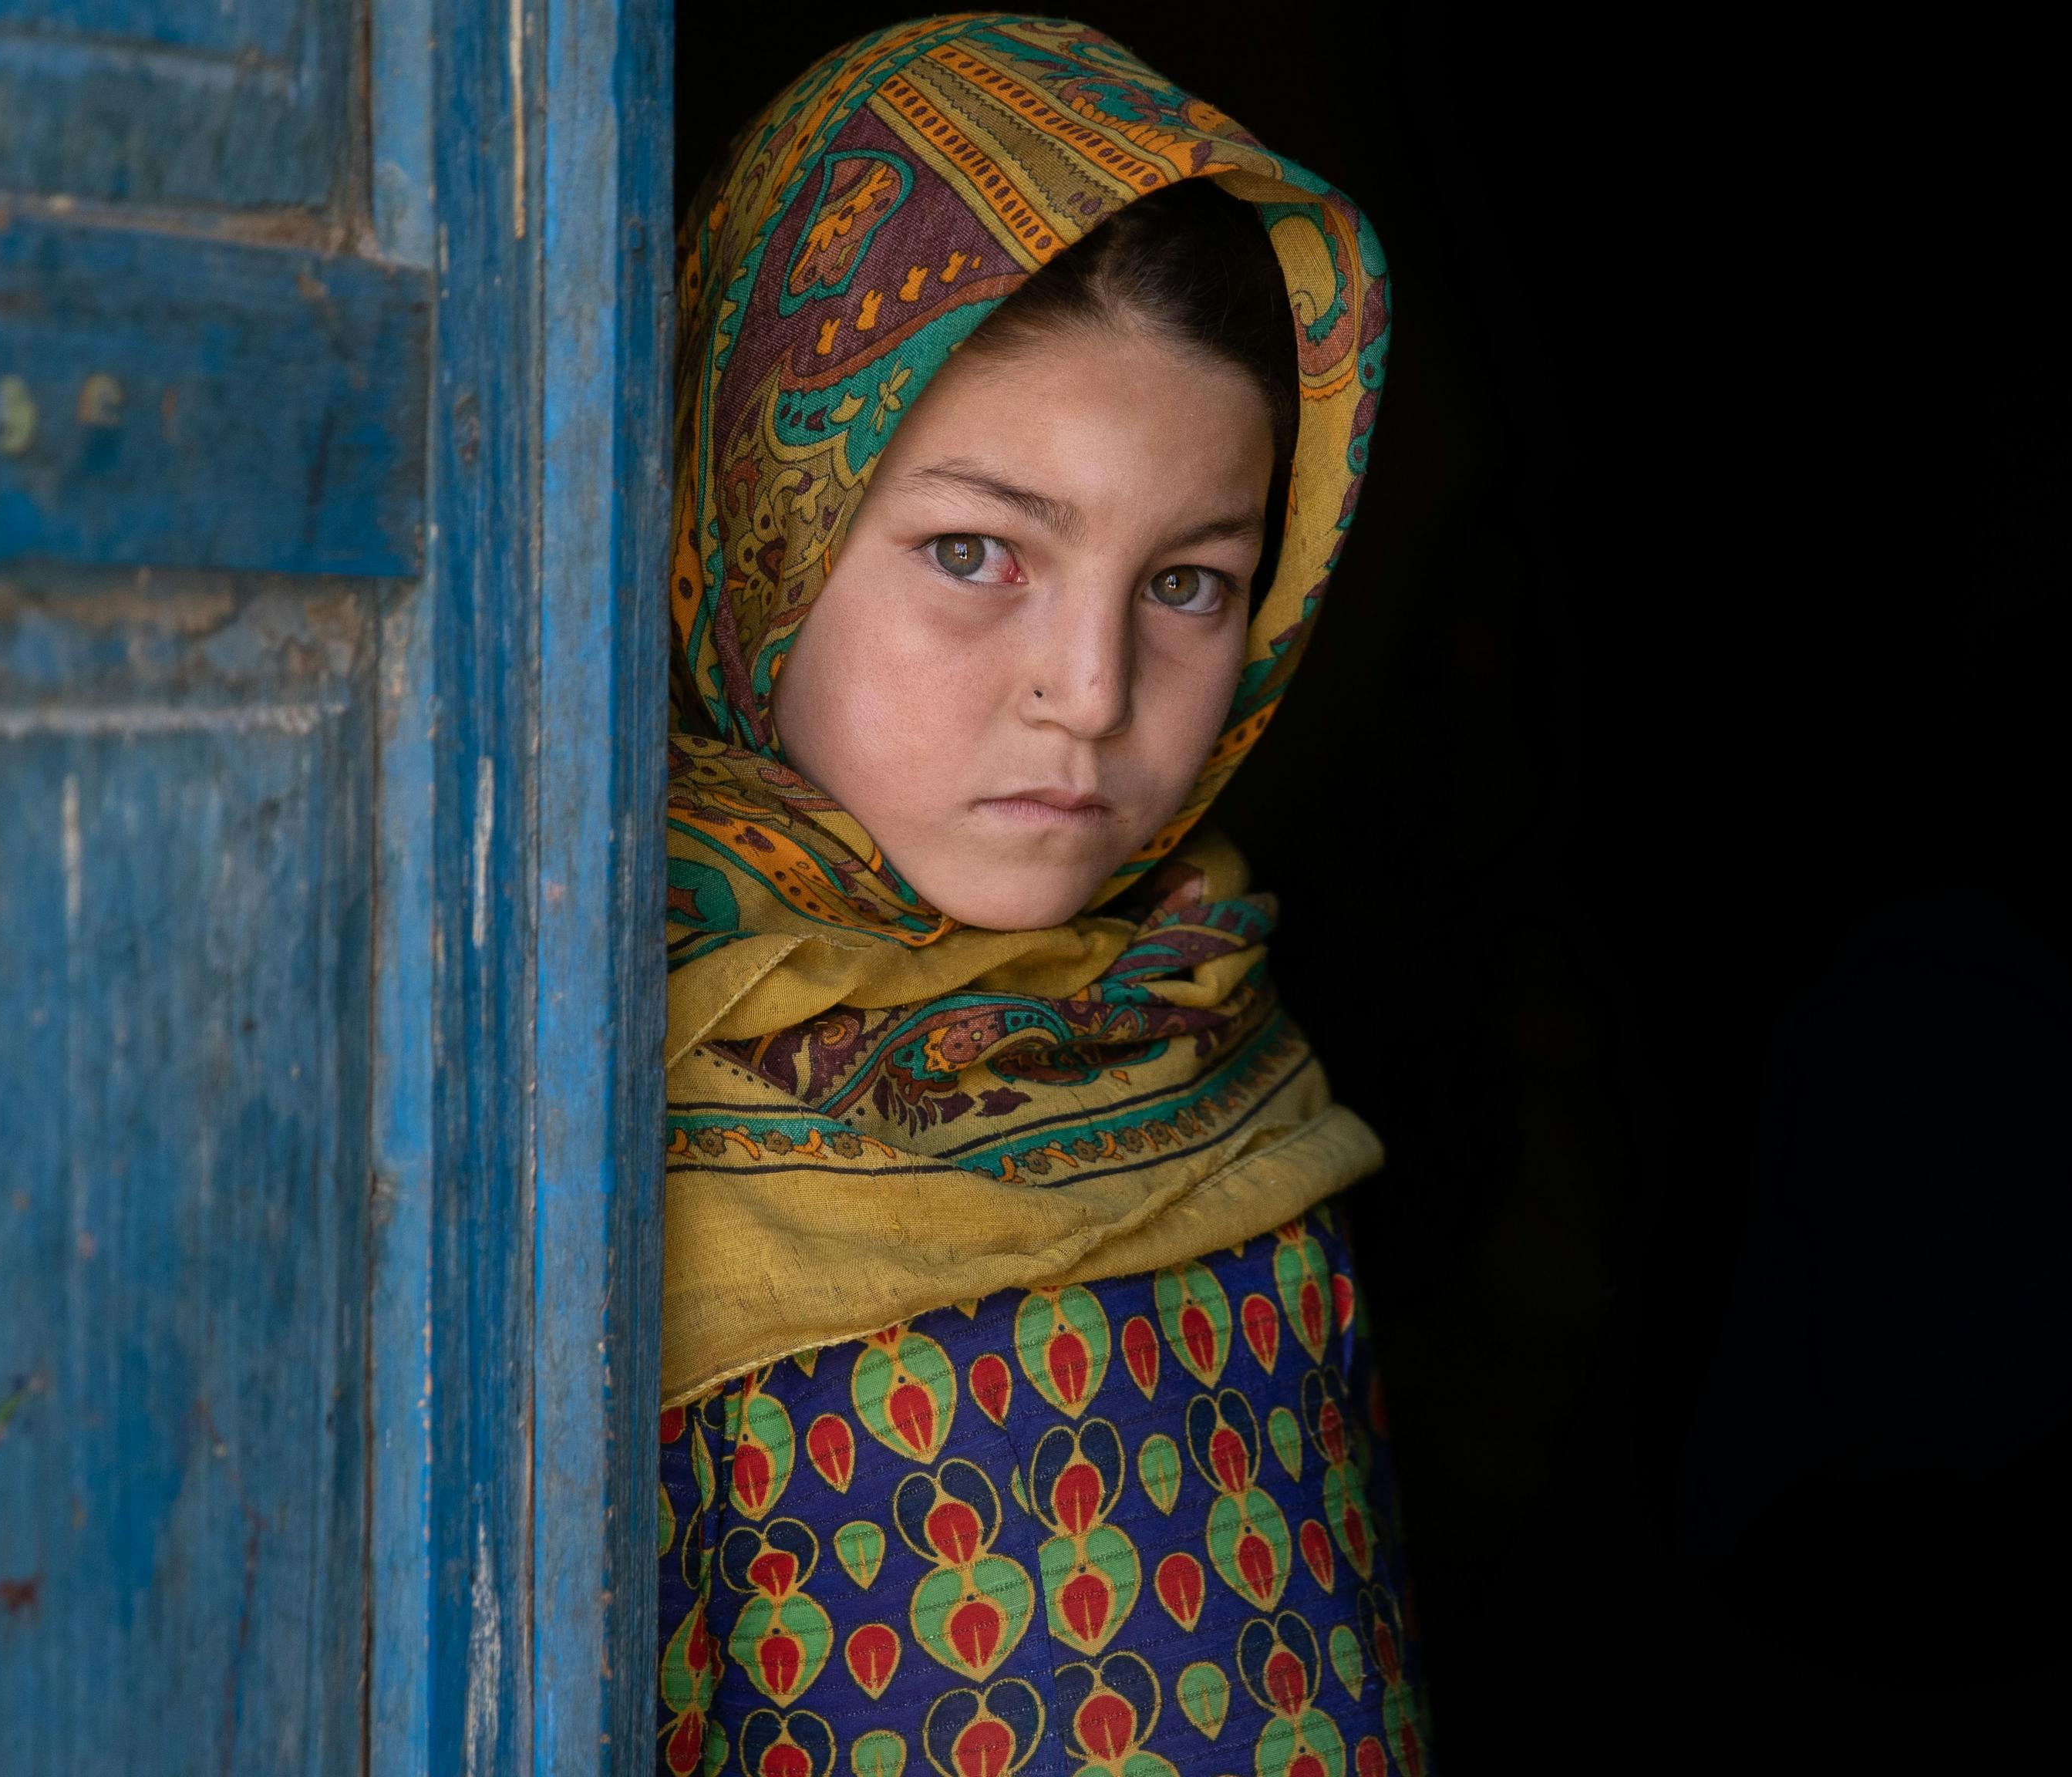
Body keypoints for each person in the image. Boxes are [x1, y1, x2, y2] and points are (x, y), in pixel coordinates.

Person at [655, 17, 1416, 1774]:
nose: (1090, 686)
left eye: (1191, 583)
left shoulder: (1210, 1051)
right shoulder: (557, 1105)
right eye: (975, 554)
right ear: (753, 510)